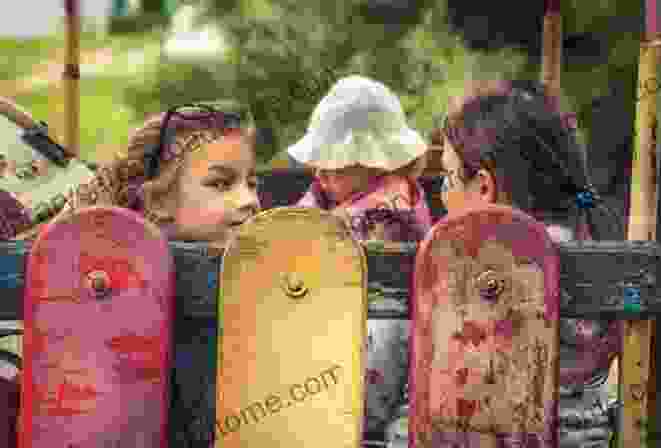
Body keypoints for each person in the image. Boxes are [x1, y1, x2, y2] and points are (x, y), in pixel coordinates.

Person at [14, 102, 261, 447]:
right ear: (157, 202)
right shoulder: (99, 282)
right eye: (221, 184)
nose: (249, 199)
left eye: (252, 183)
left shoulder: (260, 271)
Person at [426, 79, 622, 448]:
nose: (443, 195)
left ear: (484, 187)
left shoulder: (496, 265)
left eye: (448, 177)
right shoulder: (588, 241)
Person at [286, 75, 433, 444]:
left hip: (384, 318)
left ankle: (363, 419)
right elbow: (295, 228)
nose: (319, 173)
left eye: (333, 164)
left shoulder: (390, 204)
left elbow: (321, 235)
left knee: (385, 331)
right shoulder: (332, 192)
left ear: (375, 164)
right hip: (338, 323)